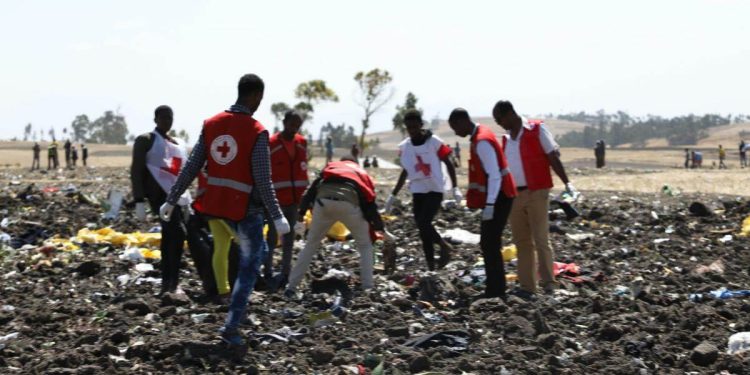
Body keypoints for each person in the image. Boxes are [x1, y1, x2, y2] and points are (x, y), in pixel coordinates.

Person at [162, 74, 290, 346]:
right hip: (244, 210)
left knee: (253, 252)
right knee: (249, 267)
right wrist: (277, 215)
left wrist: (172, 198)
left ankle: (237, 310)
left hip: (214, 206)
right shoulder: (257, 131)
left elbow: (192, 165)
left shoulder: (211, 125)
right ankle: (231, 327)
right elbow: (263, 179)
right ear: (256, 96)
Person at [494, 100, 576, 297]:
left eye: (500, 119)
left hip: (537, 191)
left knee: (540, 238)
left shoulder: (536, 130)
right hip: (515, 195)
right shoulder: (506, 140)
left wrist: (567, 183)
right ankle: (527, 286)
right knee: (522, 242)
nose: (499, 124)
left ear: (509, 114)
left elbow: (552, 157)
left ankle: (549, 283)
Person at [286, 157, 386, 296]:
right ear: (354, 163)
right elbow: (369, 201)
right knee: (364, 245)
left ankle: (291, 287)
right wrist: (377, 225)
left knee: (311, 245)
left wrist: (301, 213)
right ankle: (368, 287)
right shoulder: (360, 172)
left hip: (323, 202)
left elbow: (311, 190)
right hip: (349, 203)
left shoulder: (331, 167)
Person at [448, 108, 516, 299]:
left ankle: (496, 291)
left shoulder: (482, 141)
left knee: (489, 243)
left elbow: (494, 175)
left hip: (500, 196)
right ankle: (495, 289)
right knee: (490, 244)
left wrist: (490, 205)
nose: (455, 132)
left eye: (455, 127)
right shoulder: (480, 136)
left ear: (462, 122)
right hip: (499, 196)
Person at [385, 109, 460, 271]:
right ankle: (431, 266)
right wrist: (393, 195)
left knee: (424, 222)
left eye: (414, 127)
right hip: (418, 189)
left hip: (435, 188)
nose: (412, 131)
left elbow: (448, 162)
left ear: (420, 125)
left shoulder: (434, 142)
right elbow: (405, 171)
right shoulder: (405, 147)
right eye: (409, 128)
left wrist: (455, 188)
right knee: (422, 228)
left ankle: (444, 246)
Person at [131, 105, 193, 295]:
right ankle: (170, 282)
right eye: (164, 117)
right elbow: (137, 170)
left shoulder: (177, 144)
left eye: (170, 118)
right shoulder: (146, 141)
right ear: (156, 119)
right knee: (177, 234)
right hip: (159, 198)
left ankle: (170, 282)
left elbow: (181, 171)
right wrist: (139, 200)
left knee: (170, 238)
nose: (167, 121)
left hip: (177, 198)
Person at [264, 110, 309, 289]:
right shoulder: (271, 143)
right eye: (292, 124)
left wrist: (305, 199)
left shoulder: (301, 143)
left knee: (289, 238)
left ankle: (285, 272)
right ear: (284, 122)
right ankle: (267, 270)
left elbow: (303, 170)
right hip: (275, 199)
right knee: (272, 236)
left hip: (294, 199)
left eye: (297, 125)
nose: (294, 129)